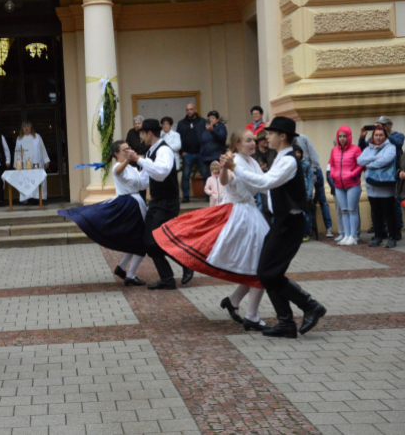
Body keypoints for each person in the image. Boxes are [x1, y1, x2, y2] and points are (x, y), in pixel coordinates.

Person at [220, 117, 327, 339]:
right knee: (268, 273)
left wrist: (234, 167)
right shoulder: (280, 158)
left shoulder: (288, 161)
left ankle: (310, 306)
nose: (265, 137)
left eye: (270, 133)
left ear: (283, 136)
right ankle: (286, 323)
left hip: (290, 222)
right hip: (281, 221)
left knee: (267, 273)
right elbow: (263, 180)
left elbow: (264, 183)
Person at [156, 130, 268, 331]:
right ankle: (250, 314)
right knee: (258, 266)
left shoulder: (251, 162)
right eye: (248, 140)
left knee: (256, 266)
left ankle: (235, 303)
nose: (253, 143)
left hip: (251, 215)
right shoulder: (235, 160)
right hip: (239, 216)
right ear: (237, 145)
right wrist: (226, 168)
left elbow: (263, 186)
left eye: (254, 140)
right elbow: (225, 181)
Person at [59, 140, 148, 286]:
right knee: (141, 240)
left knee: (136, 239)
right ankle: (130, 275)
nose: (128, 151)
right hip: (128, 205)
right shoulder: (118, 166)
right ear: (116, 154)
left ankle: (122, 268)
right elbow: (118, 171)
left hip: (136, 203)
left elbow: (142, 183)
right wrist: (128, 159)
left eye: (129, 148)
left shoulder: (132, 168)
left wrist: (144, 162)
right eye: (124, 150)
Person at [126, 118, 194, 289]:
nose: (140, 137)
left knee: (155, 241)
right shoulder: (150, 152)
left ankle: (185, 264)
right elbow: (144, 181)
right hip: (156, 202)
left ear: (148, 133)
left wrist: (139, 160)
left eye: (141, 133)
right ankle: (168, 278)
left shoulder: (164, 150)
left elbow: (161, 173)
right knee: (149, 241)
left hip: (168, 203)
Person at [360, 116, 405, 237]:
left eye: (383, 125)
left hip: (392, 174)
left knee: (393, 205)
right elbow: (364, 150)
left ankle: (396, 231)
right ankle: (381, 230)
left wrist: (386, 134)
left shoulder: (397, 135)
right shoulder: (375, 136)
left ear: (390, 125)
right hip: (376, 176)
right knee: (378, 208)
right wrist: (362, 137)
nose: (380, 128)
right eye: (378, 125)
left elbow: (398, 144)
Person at [329, 125, 363, 246]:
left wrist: (352, 174)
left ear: (349, 137)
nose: (342, 138)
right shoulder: (334, 150)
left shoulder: (356, 149)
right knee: (344, 211)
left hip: (353, 184)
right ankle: (347, 234)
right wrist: (333, 174)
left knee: (352, 210)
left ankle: (353, 236)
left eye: (344, 136)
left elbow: (361, 165)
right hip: (339, 185)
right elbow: (331, 164)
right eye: (340, 136)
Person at [295, 134, 334, 238]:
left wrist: (313, 171)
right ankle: (309, 229)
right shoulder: (286, 144)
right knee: (308, 202)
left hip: (314, 170)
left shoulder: (302, 138)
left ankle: (328, 227)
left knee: (322, 200)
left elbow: (314, 155)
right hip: (303, 174)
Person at [176, 103, 208, 203]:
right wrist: (181, 152)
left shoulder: (202, 121)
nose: (189, 111)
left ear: (195, 110)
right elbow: (178, 138)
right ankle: (186, 196)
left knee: (205, 174)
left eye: (191, 109)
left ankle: (208, 195)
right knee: (185, 176)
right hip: (187, 154)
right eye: (187, 110)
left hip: (201, 153)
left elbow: (207, 136)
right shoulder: (181, 123)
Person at [14, 122, 50, 204]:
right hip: (24, 165)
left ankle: (40, 198)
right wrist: (17, 164)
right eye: (24, 127)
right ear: (22, 129)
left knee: (38, 180)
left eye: (28, 127)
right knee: (27, 181)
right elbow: (16, 152)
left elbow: (42, 148)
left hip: (37, 163)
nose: (26, 128)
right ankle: (28, 199)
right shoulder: (19, 139)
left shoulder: (37, 137)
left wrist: (46, 160)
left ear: (31, 128)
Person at [293, 145, 314, 242]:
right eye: (295, 152)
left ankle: (306, 232)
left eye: (299, 152)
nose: (297, 154)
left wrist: (309, 194)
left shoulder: (306, 164)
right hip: (294, 193)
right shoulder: (290, 164)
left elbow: (310, 179)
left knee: (305, 214)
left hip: (305, 192)